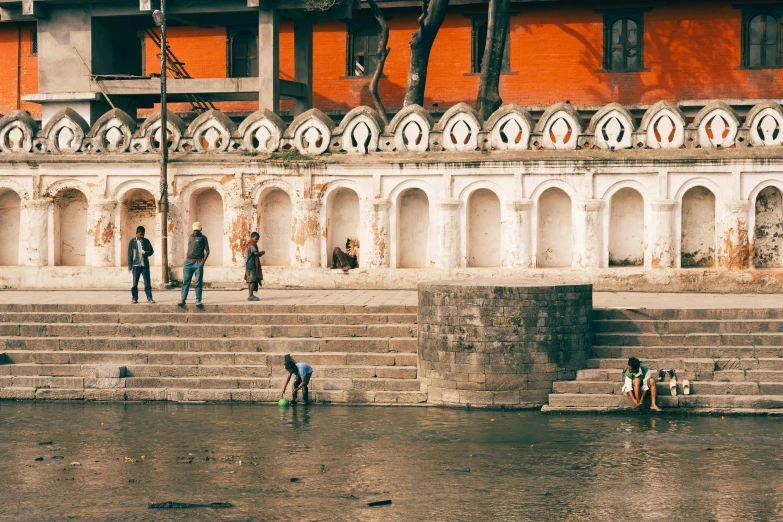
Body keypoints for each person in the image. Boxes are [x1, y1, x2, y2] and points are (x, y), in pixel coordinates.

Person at [180, 222, 209, 307]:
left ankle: (198, 299)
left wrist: (203, 262)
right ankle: (183, 299)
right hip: (188, 262)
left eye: (197, 230)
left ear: (200, 230)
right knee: (186, 281)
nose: (195, 232)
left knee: (198, 282)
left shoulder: (203, 238)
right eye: (194, 230)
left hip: (198, 262)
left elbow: (207, 251)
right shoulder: (190, 237)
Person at [127, 225, 155, 304]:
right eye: (140, 234)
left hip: (144, 265)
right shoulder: (132, 242)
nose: (142, 236)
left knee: (147, 282)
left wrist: (146, 253)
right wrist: (129, 265)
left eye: (143, 234)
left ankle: (149, 298)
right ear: (137, 233)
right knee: (135, 283)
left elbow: (151, 251)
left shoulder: (146, 241)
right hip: (135, 266)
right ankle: (134, 298)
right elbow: (129, 254)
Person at [245, 231, 265, 301]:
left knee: (250, 280)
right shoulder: (252, 244)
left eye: (258, 239)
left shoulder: (249, 243)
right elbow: (256, 253)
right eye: (256, 239)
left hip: (248, 264)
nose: (257, 241)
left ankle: (250, 294)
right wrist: (261, 253)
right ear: (252, 237)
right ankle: (250, 295)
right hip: (251, 264)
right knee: (253, 280)